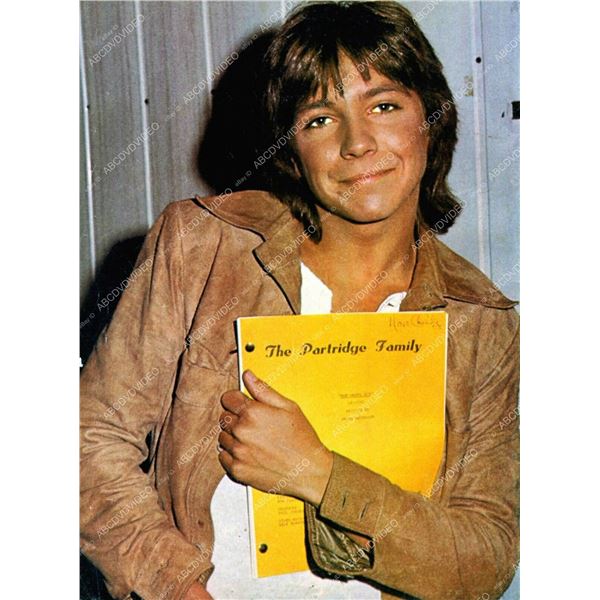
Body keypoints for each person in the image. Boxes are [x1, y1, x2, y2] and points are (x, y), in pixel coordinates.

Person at [80, 2, 519, 600]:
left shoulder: (481, 321)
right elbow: (89, 440)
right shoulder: (204, 248)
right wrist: (177, 587)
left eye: (384, 106)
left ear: (432, 119)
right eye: (319, 119)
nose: (356, 143)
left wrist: (317, 473)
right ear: (291, 148)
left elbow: (486, 560)